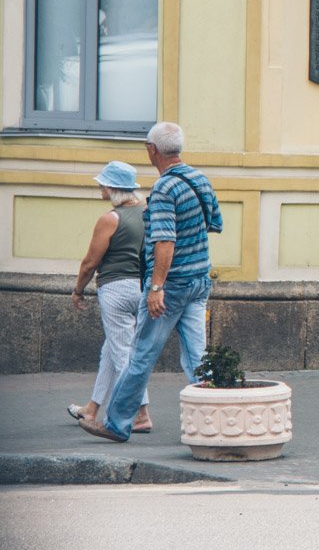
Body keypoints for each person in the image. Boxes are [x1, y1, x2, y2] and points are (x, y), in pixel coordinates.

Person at [79, 122, 222, 443]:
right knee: (198, 355)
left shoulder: (164, 189)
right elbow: (214, 221)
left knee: (142, 353)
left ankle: (117, 424)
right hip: (200, 280)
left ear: (151, 149)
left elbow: (164, 242)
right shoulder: (200, 179)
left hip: (172, 285)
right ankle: (217, 417)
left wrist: (156, 287)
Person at [66, 161, 152, 432]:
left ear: (114, 188)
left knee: (123, 354)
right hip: (142, 288)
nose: (100, 187)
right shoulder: (147, 212)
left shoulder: (110, 219)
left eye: (103, 184)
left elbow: (90, 261)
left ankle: (141, 414)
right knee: (111, 351)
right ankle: (91, 409)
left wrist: (78, 290)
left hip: (115, 289)